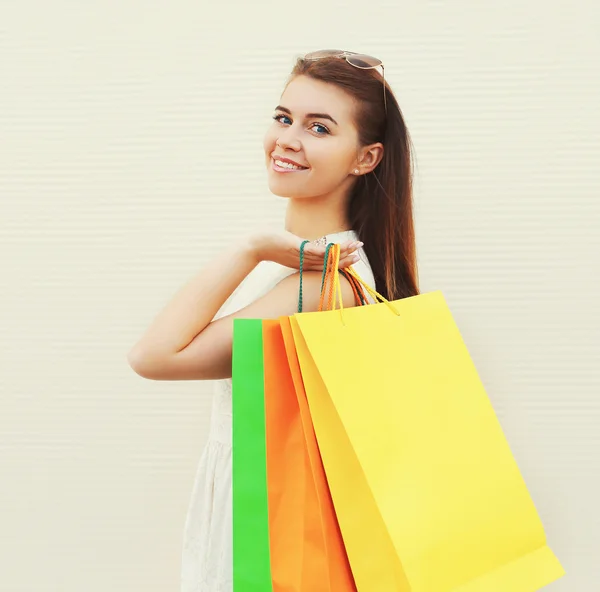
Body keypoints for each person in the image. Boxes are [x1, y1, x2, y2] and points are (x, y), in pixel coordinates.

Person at [127, 49, 419, 592]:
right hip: (267, 513)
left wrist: (252, 246)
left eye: (319, 127)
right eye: (284, 117)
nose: (287, 138)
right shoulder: (319, 270)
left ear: (366, 158)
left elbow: (154, 356)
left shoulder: (318, 284)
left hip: (268, 526)